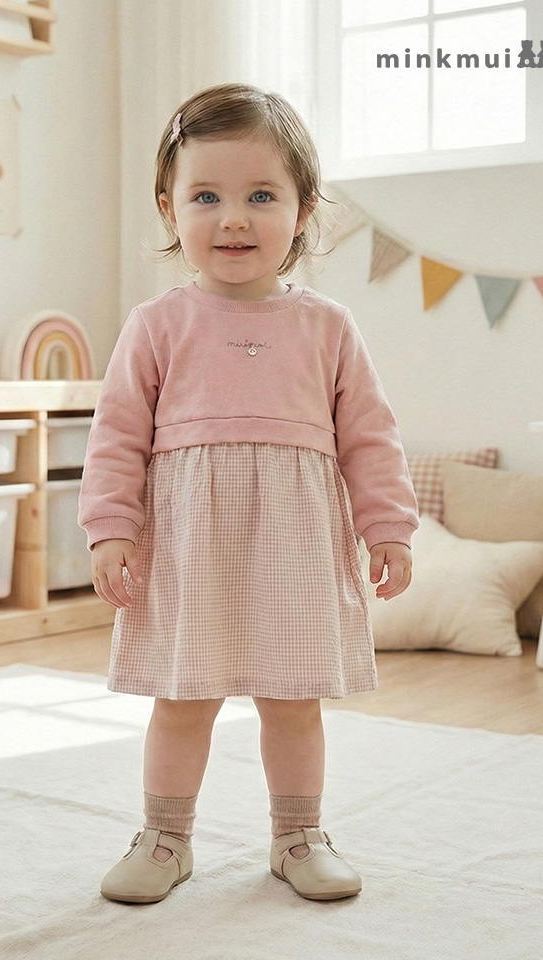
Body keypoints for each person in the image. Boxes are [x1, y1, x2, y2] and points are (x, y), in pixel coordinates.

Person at [78, 82, 419, 905]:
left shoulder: (328, 327)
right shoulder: (156, 324)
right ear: (170, 209)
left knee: (294, 701)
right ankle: (165, 837)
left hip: (294, 545)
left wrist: (390, 528)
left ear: (303, 211)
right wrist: (109, 530)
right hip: (188, 547)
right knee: (182, 700)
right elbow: (116, 438)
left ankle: (298, 834)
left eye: (261, 196)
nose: (233, 218)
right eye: (207, 197)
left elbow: (370, 437)